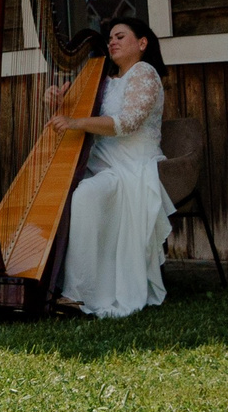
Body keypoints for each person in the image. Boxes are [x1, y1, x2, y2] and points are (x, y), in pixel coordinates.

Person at [48, 17, 176, 318]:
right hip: (102, 163)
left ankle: (76, 295)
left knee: (85, 196)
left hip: (132, 167)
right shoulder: (103, 82)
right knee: (67, 193)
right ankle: (54, 281)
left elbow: (128, 123)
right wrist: (56, 102)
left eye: (120, 36)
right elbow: (71, 118)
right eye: (109, 39)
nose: (112, 42)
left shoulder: (144, 74)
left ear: (142, 43)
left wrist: (76, 122)